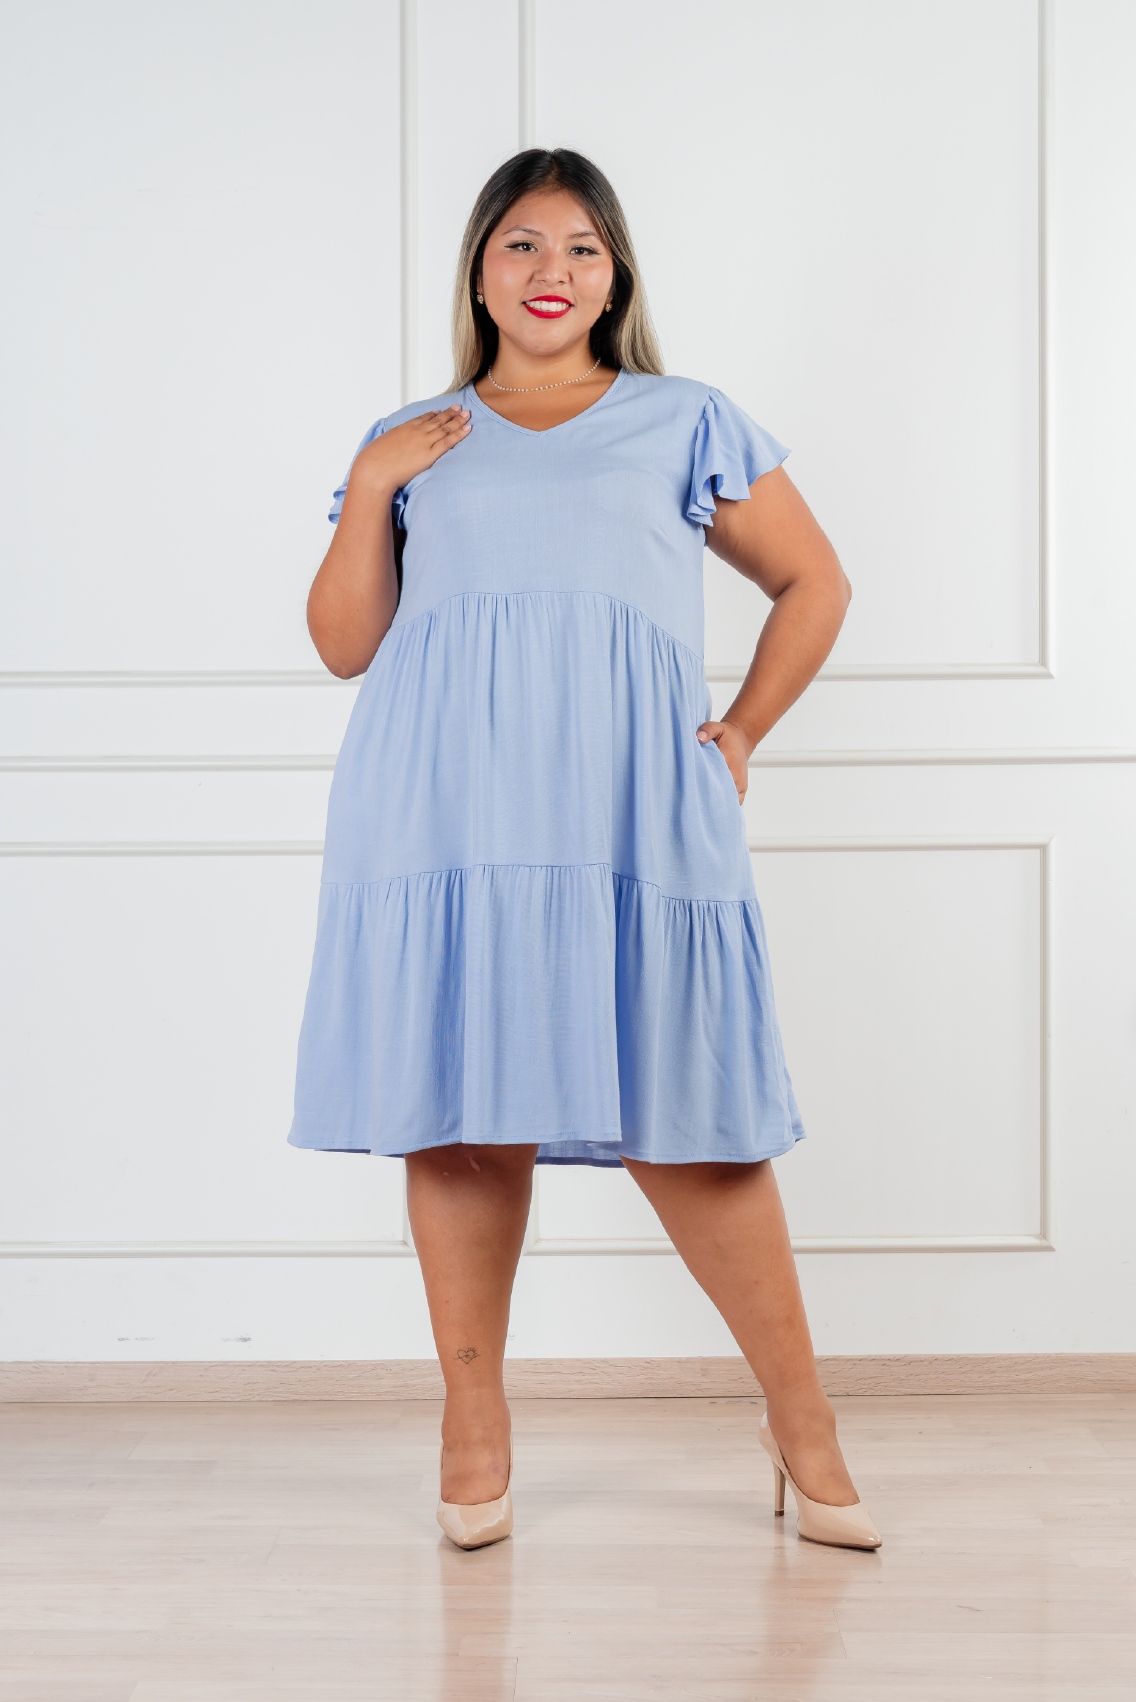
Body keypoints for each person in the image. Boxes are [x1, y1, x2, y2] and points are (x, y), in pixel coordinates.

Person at [289, 148, 880, 1553]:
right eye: (521, 244)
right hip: (442, 812)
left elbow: (815, 580)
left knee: (695, 1120)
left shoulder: (684, 418)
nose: (550, 271)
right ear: (480, 269)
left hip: (629, 811)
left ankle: (803, 1423)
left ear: (616, 277)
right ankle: (473, 1423)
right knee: (460, 1116)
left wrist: (740, 732)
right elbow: (344, 645)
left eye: (581, 248)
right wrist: (369, 484)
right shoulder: (413, 436)